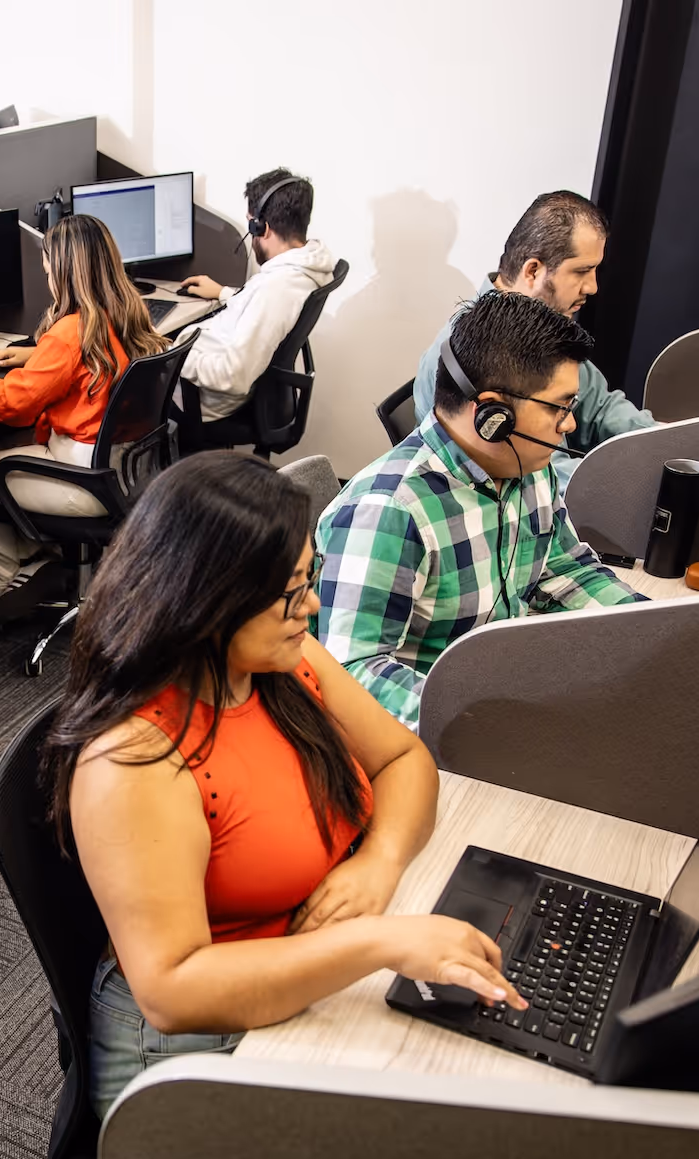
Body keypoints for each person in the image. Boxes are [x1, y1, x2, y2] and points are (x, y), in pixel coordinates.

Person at [45, 452, 525, 1116]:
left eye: (309, 578)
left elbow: (405, 761)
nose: (313, 605)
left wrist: (379, 865)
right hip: (196, 1047)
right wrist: (378, 942)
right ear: (207, 602)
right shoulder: (134, 758)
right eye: (292, 592)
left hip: (304, 978)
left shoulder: (280, 665)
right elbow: (173, 990)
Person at [317, 290, 644, 730]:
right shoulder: (388, 511)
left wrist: (650, 629)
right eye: (561, 407)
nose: (568, 425)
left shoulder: (526, 466)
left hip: (505, 685)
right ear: (495, 415)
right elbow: (351, 674)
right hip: (439, 734)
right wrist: (484, 722)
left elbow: (565, 569)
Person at [0, 213, 167, 591]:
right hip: (127, 470)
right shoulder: (126, 312)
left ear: (67, 273)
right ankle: (38, 559)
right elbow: (86, 361)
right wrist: (38, 356)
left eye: (50, 272)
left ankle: (0, 587)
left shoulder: (69, 331)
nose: (49, 281)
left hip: (83, 480)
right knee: (5, 448)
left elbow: (13, 404)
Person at [413, 190, 655, 484]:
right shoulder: (462, 355)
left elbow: (600, 408)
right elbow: (544, 481)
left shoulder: (546, 332)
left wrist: (670, 441)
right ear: (533, 271)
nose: (592, 286)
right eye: (582, 271)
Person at [174, 169, 338, 420]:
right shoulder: (308, 265)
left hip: (202, 398)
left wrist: (171, 355)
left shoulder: (275, 290)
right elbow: (263, 309)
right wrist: (225, 293)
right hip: (212, 371)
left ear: (263, 227)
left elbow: (232, 376)